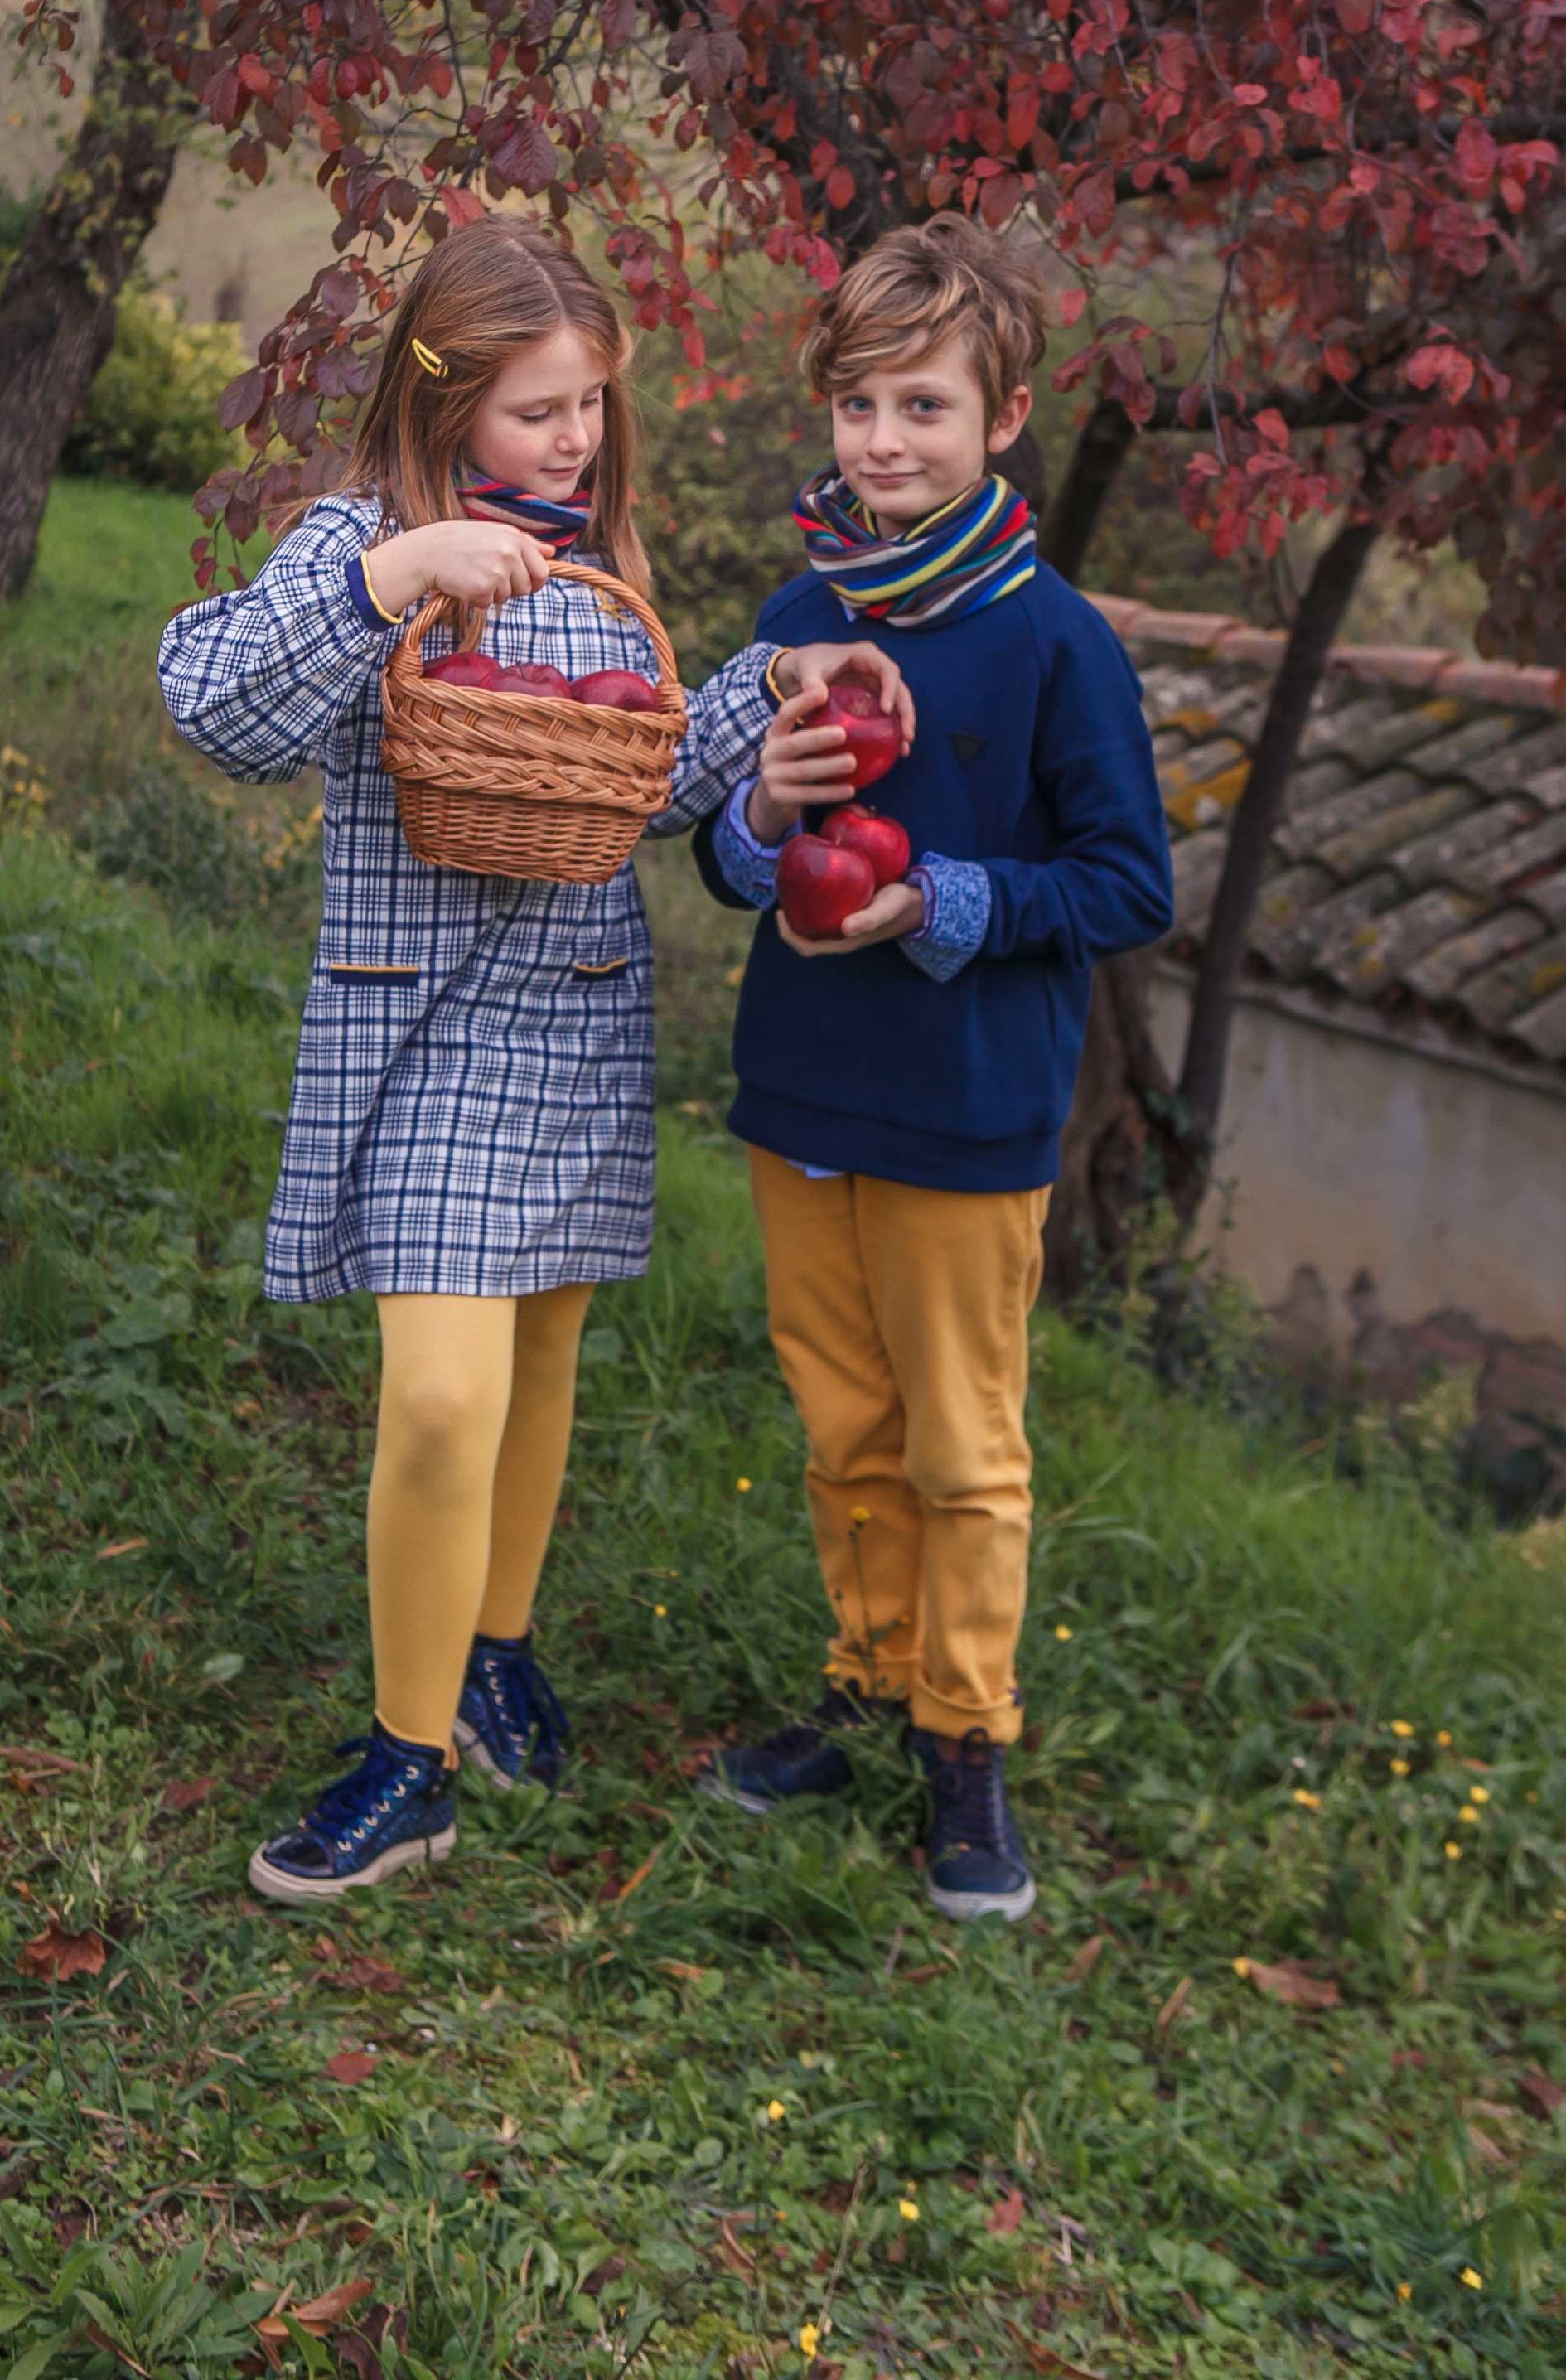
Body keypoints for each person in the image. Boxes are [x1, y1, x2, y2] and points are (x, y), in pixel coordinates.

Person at [157, 213, 909, 1904]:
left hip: (571, 1006)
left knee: (540, 1357)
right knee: (438, 1391)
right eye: (531, 409)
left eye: (587, 404)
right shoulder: (369, 538)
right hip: (418, 1024)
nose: (571, 438)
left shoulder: (601, 565)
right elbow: (213, 708)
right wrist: (387, 582)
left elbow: (628, 782)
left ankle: (491, 1641)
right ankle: (405, 1763)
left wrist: (769, 684)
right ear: (441, 408)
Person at [693, 215, 1173, 1920]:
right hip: (805, 1083)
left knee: (962, 1446)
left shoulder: (1053, 644)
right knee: (842, 1428)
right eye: (857, 406)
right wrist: (760, 814)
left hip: (966, 1108)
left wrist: (935, 899)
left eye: (922, 407)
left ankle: (961, 1738)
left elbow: (1129, 885)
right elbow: (729, 857)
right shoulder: (794, 619)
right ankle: (861, 1678)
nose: (883, 442)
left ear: (1002, 418)